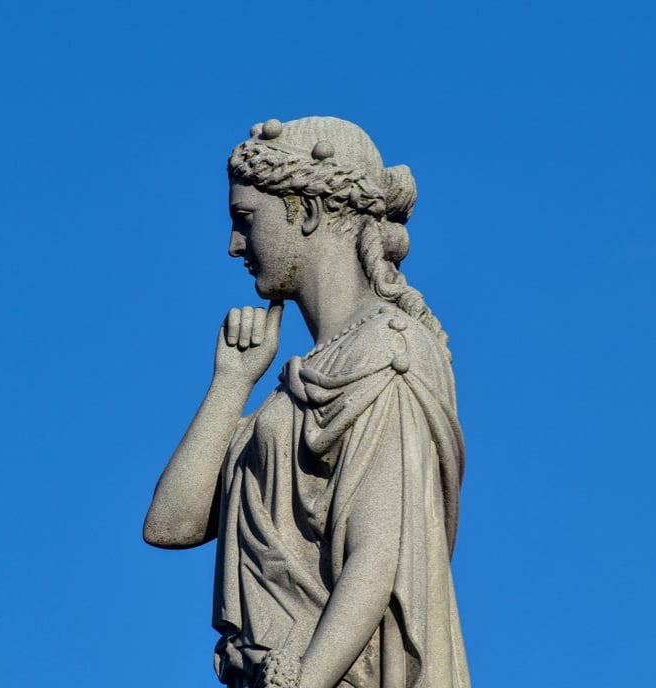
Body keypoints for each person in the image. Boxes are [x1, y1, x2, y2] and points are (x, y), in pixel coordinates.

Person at [143, 117, 470, 688]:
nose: (233, 246)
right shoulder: (291, 386)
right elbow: (170, 525)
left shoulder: (388, 352)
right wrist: (232, 382)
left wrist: (306, 681)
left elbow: (378, 556)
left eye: (245, 221)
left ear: (308, 211)